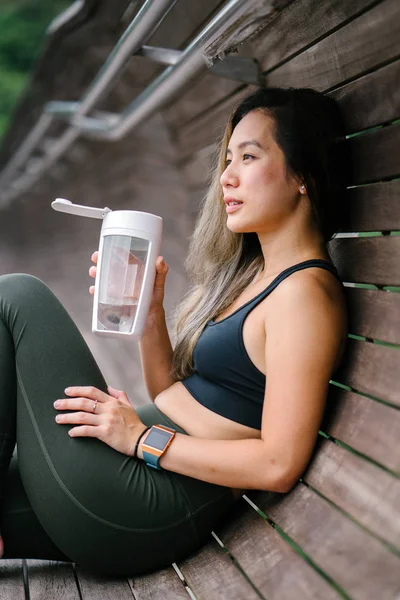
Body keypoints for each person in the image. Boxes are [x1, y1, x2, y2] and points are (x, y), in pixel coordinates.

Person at [0, 87, 350, 576]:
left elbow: (279, 464)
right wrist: (151, 315)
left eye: (248, 157)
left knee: (17, 297)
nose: (226, 177)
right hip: (129, 478)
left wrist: (141, 439)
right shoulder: (255, 277)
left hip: (148, 498)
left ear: (303, 176)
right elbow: (168, 392)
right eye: (228, 159)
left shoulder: (304, 296)